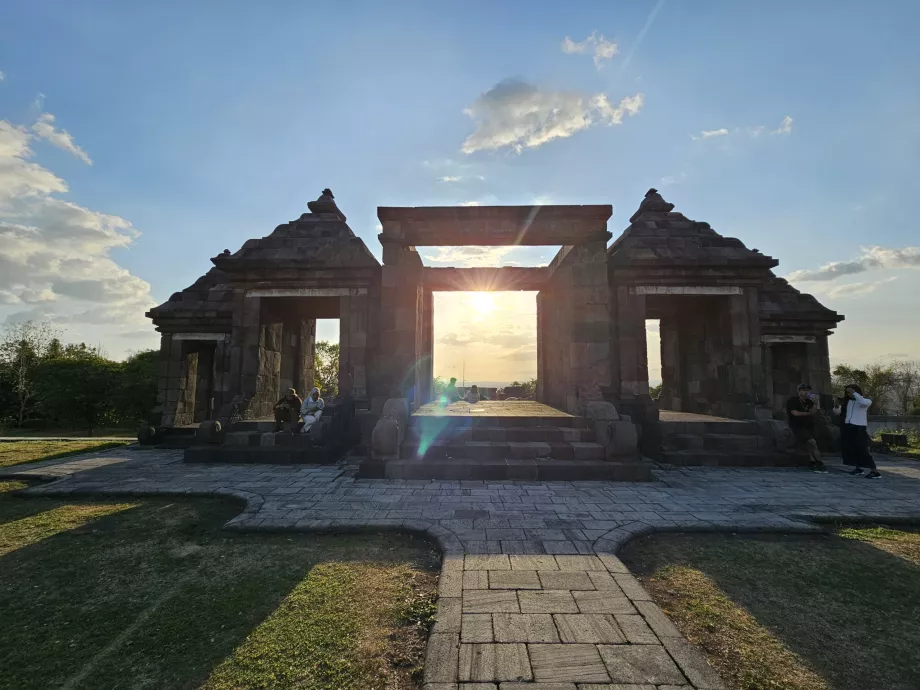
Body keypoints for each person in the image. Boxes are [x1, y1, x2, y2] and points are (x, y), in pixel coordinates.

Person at [834, 384, 879, 478]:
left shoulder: (865, 401)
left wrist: (854, 393)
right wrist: (837, 405)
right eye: (848, 393)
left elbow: (863, 402)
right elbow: (837, 413)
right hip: (848, 427)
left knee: (862, 449)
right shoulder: (848, 402)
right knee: (851, 449)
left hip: (859, 427)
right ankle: (858, 468)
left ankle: (874, 471)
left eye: (850, 392)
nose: (849, 394)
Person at [786, 383, 827, 473]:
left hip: (809, 425)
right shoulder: (793, 401)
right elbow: (795, 413)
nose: (805, 392)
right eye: (803, 390)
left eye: (807, 390)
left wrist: (816, 403)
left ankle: (812, 462)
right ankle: (820, 462)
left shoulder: (809, 401)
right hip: (797, 426)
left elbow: (815, 412)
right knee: (812, 443)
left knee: (810, 444)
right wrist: (808, 414)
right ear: (798, 391)